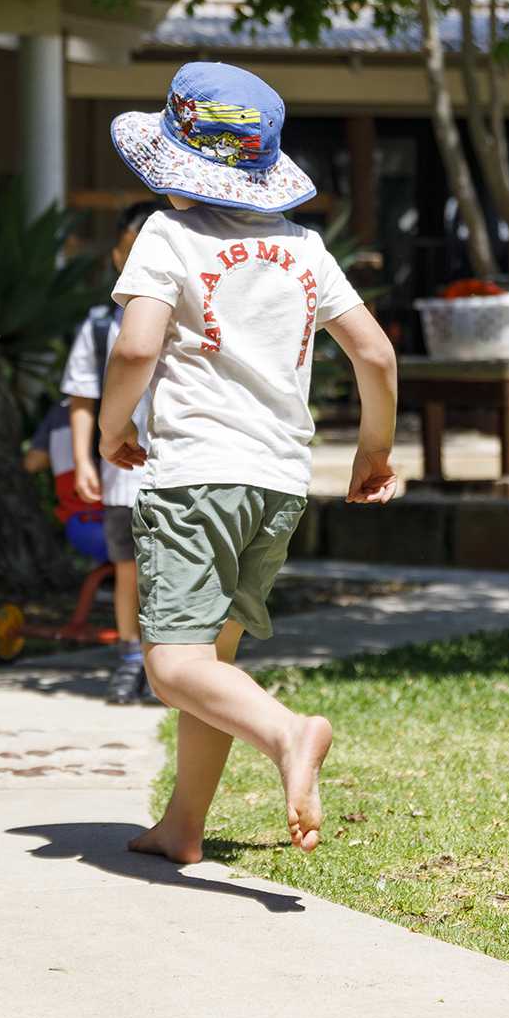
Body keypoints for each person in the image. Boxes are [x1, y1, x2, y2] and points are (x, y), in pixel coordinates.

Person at [96, 61, 399, 861]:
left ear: (171, 169)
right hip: (277, 483)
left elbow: (134, 345)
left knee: (170, 665)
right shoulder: (304, 247)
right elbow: (373, 352)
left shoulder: (167, 235)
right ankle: (182, 824)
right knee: (213, 660)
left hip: (196, 473)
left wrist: (108, 427)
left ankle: (289, 732)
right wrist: (372, 450)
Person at [62, 200, 163, 704]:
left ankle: (166, 666)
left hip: (182, 469)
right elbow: (82, 397)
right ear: (118, 257)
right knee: (129, 569)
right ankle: (129, 659)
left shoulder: (195, 315)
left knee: (173, 569)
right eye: (131, 249)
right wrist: (83, 460)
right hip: (123, 472)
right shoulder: (102, 324)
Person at [23, 398, 110, 565]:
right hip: (102, 516)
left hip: (79, 520)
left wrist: (62, 455)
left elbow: (32, 462)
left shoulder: (60, 408)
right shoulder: (119, 399)